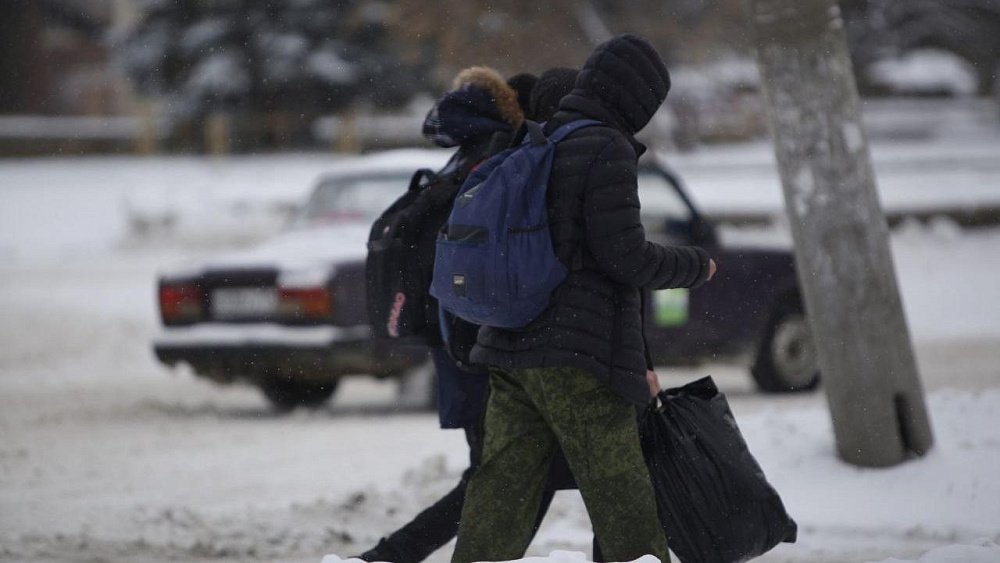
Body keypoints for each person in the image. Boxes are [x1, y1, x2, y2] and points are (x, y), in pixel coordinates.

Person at [452, 35, 717, 563]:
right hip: (578, 355)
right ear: (637, 98)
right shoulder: (606, 147)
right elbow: (625, 257)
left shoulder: (537, 139)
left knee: (499, 497)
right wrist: (695, 264)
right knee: (623, 500)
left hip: (509, 347)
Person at [356, 65, 584, 563]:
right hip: (480, 345)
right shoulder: (501, 161)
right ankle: (389, 557)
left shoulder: (466, 161)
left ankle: (396, 557)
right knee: (503, 472)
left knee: (512, 470)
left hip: (457, 337)